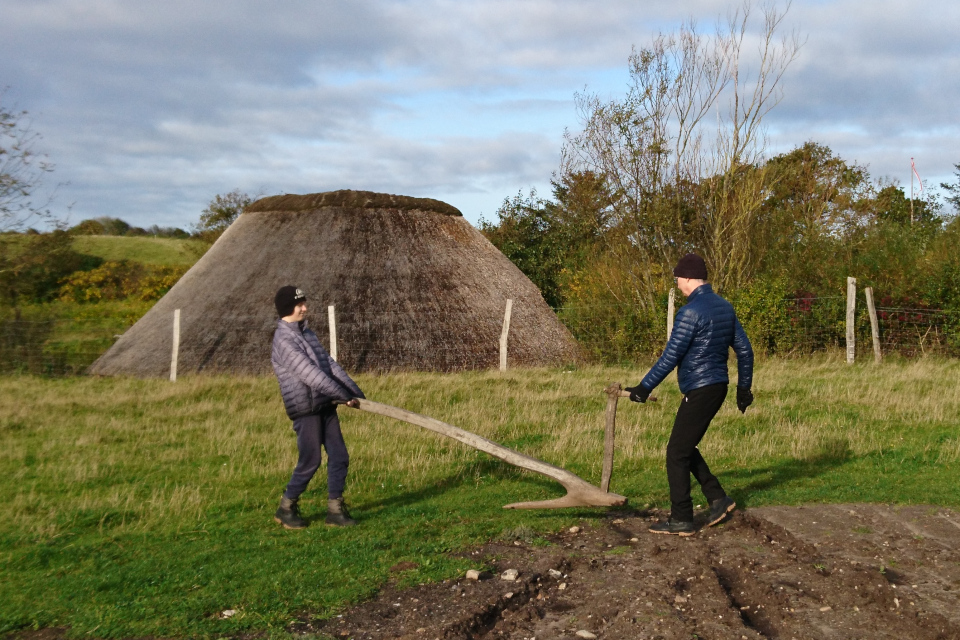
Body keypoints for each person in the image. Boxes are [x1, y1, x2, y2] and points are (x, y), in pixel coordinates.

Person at [626, 253, 754, 536]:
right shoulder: (724, 306)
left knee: (676, 453)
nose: (678, 285)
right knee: (684, 446)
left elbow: (671, 355)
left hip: (700, 388)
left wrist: (643, 388)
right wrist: (744, 388)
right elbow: (745, 350)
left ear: (686, 279)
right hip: (717, 386)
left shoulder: (689, 312)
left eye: (677, 280)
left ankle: (681, 518)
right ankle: (718, 499)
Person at [271, 285, 365, 529]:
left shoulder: (307, 334)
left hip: (325, 404)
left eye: (304, 303)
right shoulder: (283, 341)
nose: (305, 308)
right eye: (299, 304)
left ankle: (335, 510)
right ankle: (286, 507)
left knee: (340, 455)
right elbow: (310, 375)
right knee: (310, 461)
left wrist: (355, 392)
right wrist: (342, 395)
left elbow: (329, 366)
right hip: (305, 410)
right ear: (287, 308)